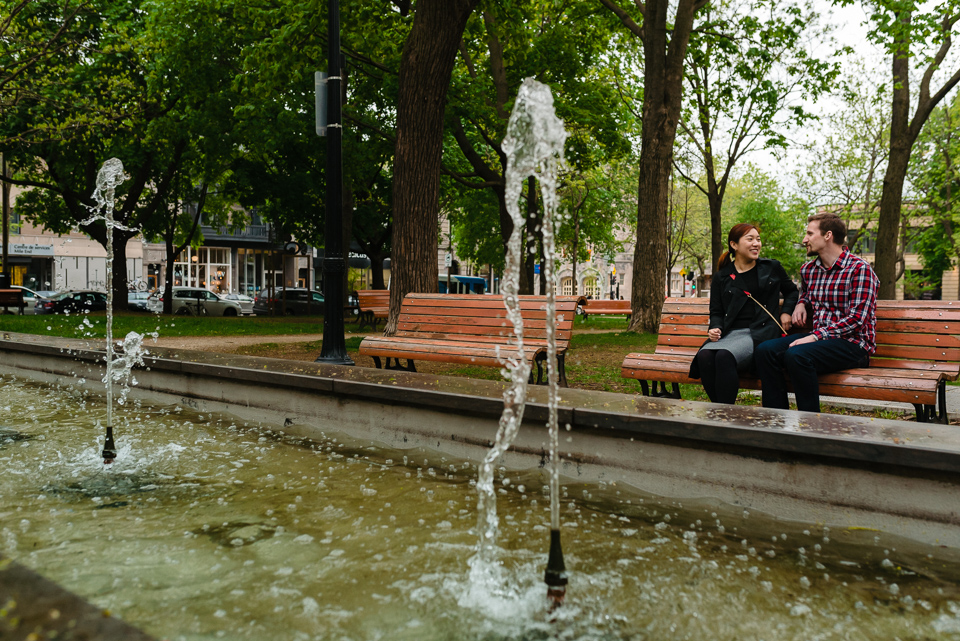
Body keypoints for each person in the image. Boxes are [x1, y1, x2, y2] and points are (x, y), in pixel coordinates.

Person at [754, 213, 878, 412]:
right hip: (820, 341)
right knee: (765, 351)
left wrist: (814, 336)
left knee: (797, 355)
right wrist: (801, 303)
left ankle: (811, 424)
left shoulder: (859, 270)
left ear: (828, 235)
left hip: (854, 344)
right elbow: (807, 294)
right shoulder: (809, 270)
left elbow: (857, 319)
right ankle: (776, 419)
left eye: (810, 234)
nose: (805, 240)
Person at [689, 223, 799, 404]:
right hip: (730, 333)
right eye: (750, 239)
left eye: (758, 239)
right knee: (704, 356)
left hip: (759, 332)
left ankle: (725, 414)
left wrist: (786, 312)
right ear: (734, 245)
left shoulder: (771, 267)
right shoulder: (722, 277)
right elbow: (716, 311)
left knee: (724, 356)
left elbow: (792, 291)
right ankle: (721, 412)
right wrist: (715, 327)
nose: (756, 243)